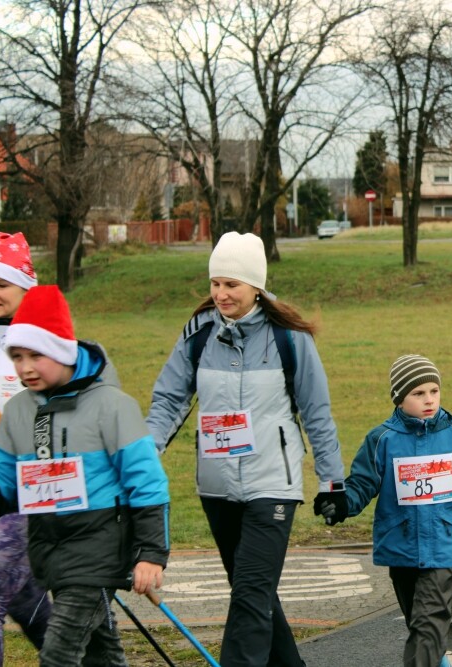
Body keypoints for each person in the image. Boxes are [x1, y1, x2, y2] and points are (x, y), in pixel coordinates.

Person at [147, 231, 347, 667]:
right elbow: (168, 401)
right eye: (215, 283)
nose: (220, 294)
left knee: (251, 595)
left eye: (231, 285)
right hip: (216, 486)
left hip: (272, 484)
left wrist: (332, 482)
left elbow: (317, 412)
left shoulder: (289, 338)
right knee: (252, 593)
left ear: (256, 285)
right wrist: (141, 459)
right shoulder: (197, 333)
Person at [0, 285, 169, 666]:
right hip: (50, 553)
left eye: (37, 355)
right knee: (100, 657)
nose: (25, 367)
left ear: (64, 351)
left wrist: (151, 555)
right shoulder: (18, 411)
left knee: (58, 656)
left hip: (99, 552)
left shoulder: (112, 406)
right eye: (16, 357)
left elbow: (147, 483)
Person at [321, 354, 452, 667]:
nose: (429, 400)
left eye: (434, 391)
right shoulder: (382, 439)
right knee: (420, 624)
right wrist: (343, 504)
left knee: (428, 624)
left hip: (444, 545)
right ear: (400, 399)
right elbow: (362, 483)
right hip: (400, 547)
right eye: (418, 393)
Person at [0, 232, 52, 664]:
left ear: (24, 289)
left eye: (0, 284)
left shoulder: (41, 345)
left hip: (20, 502)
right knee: (29, 603)